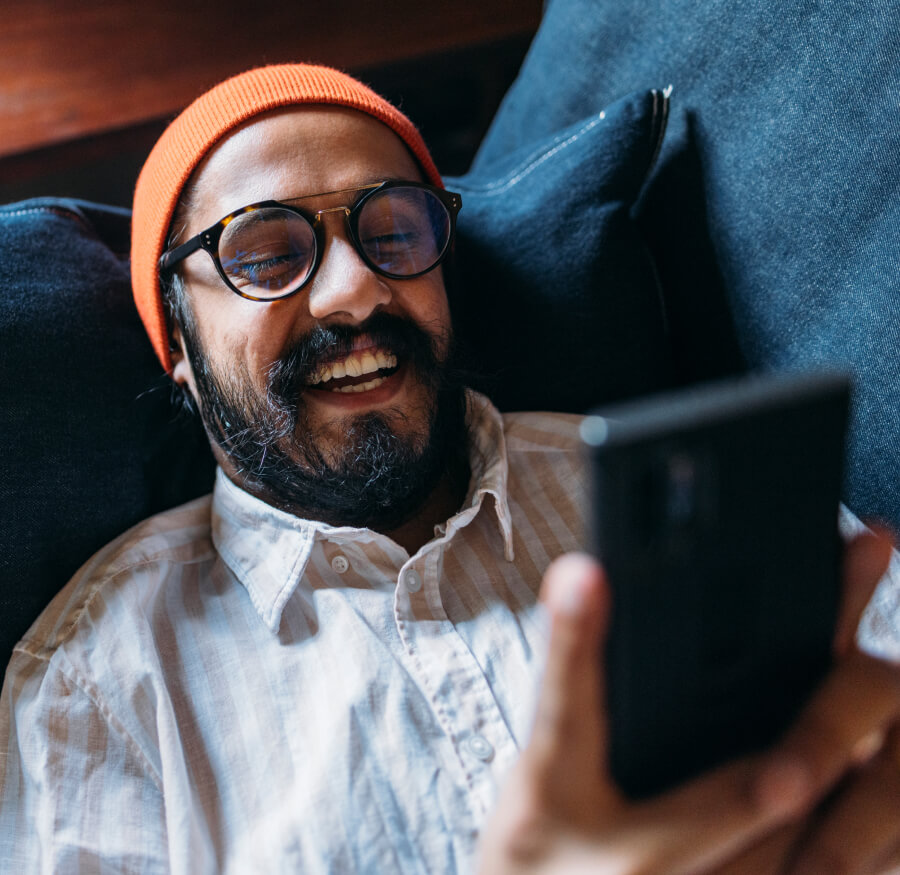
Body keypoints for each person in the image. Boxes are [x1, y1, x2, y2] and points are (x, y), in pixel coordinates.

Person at [1, 63, 899, 874]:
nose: (354, 290)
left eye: (394, 231)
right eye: (266, 254)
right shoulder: (99, 684)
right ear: (183, 353)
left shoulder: (694, 493)